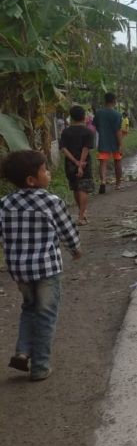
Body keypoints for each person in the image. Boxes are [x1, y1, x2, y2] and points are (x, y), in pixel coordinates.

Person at [1, 150, 82, 381]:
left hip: (20, 271)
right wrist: (75, 249)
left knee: (29, 308)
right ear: (31, 180)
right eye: (45, 170)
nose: (48, 173)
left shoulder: (4, 204)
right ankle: (40, 366)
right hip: (47, 269)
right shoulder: (50, 201)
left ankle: (23, 350)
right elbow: (66, 230)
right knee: (46, 314)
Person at [59, 105, 96, 226]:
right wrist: (80, 164)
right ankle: (81, 217)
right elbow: (86, 149)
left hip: (70, 164)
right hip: (84, 163)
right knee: (83, 188)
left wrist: (75, 162)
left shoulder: (65, 131)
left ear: (71, 117)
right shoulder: (88, 132)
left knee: (75, 188)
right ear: (83, 117)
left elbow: (63, 149)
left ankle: (82, 213)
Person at [93, 92, 124, 194]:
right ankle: (118, 184)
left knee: (103, 163)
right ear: (114, 101)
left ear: (104, 101)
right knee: (117, 161)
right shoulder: (117, 115)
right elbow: (118, 131)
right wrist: (120, 144)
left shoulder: (98, 113)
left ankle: (103, 181)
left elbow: (96, 126)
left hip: (103, 141)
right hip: (115, 142)